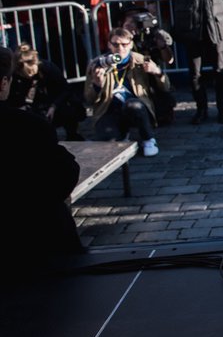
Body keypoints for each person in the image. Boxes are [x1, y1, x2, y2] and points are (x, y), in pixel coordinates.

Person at [0, 45, 84, 263]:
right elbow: (63, 174)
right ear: (4, 84)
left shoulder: (30, 122)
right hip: (39, 238)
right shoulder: (28, 126)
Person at [83, 27, 168, 156]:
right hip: (109, 109)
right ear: (109, 45)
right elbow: (88, 99)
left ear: (131, 44)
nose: (120, 48)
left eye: (124, 44)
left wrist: (157, 72)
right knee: (107, 140)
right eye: (115, 44)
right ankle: (121, 133)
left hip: (135, 106)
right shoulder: (98, 64)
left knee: (134, 105)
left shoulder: (141, 59)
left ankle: (148, 139)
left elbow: (166, 87)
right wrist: (97, 85)